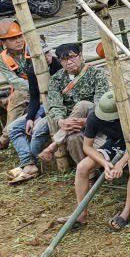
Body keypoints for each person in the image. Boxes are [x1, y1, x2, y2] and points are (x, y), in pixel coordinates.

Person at [69, 91, 130, 231]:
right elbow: (87, 146)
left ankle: (125, 213)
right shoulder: (94, 116)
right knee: (82, 167)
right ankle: (81, 213)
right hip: (115, 144)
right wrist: (105, 163)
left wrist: (120, 164)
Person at [45, 42, 111, 171]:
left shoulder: (96, 73)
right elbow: (54, 104)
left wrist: (87, 121)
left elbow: (100, 103)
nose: (69, 62)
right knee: (73, 138)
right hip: (71, 125)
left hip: (95, 118)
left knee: (83, 105)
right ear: (59, 61)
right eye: (64, 59)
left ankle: (55, 143)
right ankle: (89, 174)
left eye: (72, 57)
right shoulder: (56, 79)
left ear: (80, 56)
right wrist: (61, 121)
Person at [2, 21, 51, 184]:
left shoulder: (33, 47)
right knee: (16, 101)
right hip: (24, 88)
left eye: (19, 36)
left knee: (24, 108)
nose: (18, 40)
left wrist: (36, 87)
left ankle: (6, 139)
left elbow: (50, 66)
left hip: (45, 86)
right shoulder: (3, 58)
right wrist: (31, 87)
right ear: (4, 42)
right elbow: (13, 80)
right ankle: (8, 137)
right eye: (12, 38)